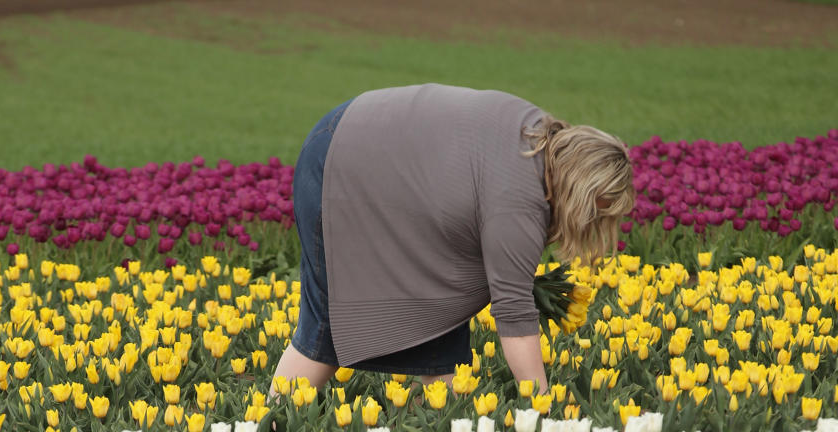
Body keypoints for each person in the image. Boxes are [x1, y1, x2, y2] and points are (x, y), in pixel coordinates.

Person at [267, 84, 634, 406]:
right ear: (580, 192)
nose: (594, 221)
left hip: (358, 136)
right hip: (342, 168)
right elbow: (514, 314)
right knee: (325, 329)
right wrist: (541, 405)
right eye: (597, 210)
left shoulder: (537, 131)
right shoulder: (518, 201)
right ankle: (270, 424)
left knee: (440, 310)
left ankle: (447, 428)